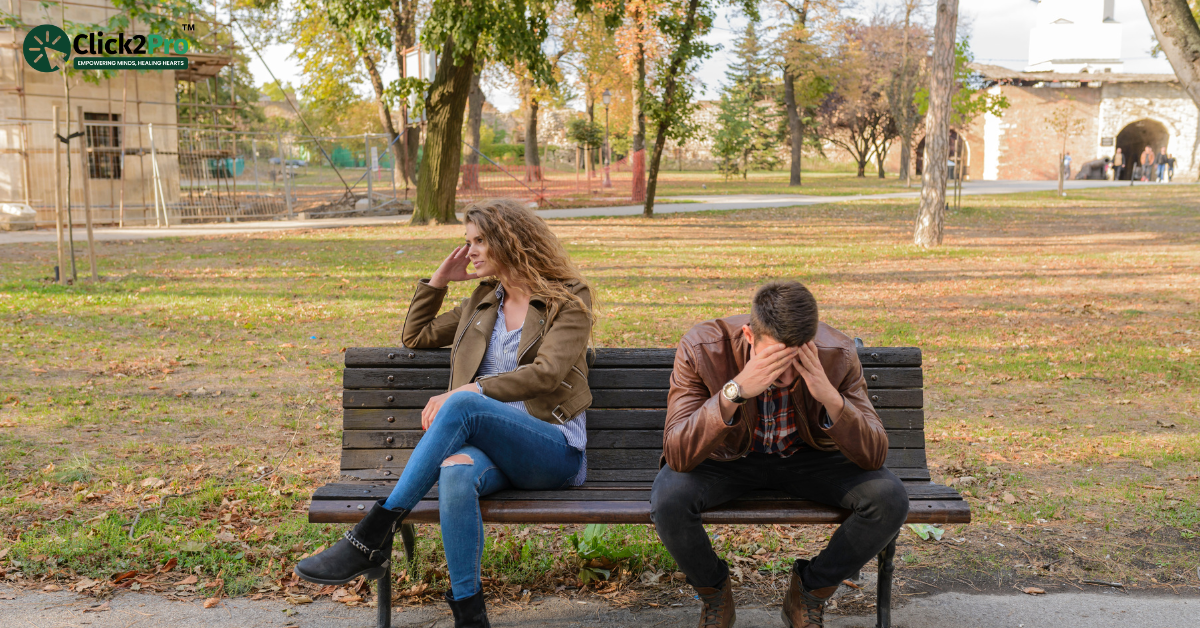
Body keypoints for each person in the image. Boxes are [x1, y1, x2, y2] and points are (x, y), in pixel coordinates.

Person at [295, 198, 595, 628]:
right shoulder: (482, 302)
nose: (469, 251)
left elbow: (547, 375)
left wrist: (469, 391)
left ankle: (372, 533)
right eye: (467, 241)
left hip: (553, 448)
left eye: (478, 241)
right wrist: (438, 281)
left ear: (509, 240)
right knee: (454, 471)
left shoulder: (568, 296)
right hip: (494, 449)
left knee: (465, 403)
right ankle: (470, 615)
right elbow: (415, 336)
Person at [650, 281, 906, 628]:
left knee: (889, 499)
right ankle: (714, 593)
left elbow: (874, 454)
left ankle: (809, 592)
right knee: (668, 500)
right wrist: (735, 391)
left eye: (797, 359)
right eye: (774, 360)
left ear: (812, 343)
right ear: (749, 336)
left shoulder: (838, 352)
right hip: (727, 459)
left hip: (806, 458)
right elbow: (678, 454)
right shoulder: (701, 347)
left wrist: (830, 396)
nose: (784, 375)